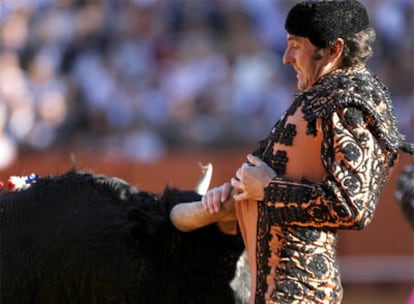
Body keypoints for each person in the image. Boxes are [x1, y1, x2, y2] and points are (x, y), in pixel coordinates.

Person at [170, 1, 414, 303]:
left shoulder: (349, 103)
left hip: (300, 294)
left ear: (333, 50)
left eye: (296, 46)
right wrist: (234, 197)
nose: (286, 58)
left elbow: (353, 206)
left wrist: (267, 190)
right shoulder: (324, 96)